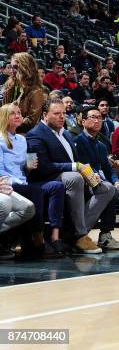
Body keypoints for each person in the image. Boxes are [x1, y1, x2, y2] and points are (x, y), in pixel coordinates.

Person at [26, 99, 115, 254]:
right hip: (47, 179)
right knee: (75, 177)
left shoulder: (66, 133)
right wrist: (76, 168)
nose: (62, 117)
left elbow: (75, 162)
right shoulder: (35, 135)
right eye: (56, 114)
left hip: (73, 176)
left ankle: (75, 235)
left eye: (63, 113)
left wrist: (90, 173)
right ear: (45, 115)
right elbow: (41, 168)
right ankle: (81, 234)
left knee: (107, 188)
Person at [0, 103, 65, 257]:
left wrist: (29, 167)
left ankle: (54, 236)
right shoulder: (0, 139)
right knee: (34, 190)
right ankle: (39, 239)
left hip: (24, 181)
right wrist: (19, 181)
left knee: (56, 186)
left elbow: (23, 167)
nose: (18, 116)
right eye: (13, 113)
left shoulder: (22, 140)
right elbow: (1, 170)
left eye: (19, 112)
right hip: (8, 183)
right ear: (4, 118)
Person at [75, 107, 119, 249]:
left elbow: (108, 168)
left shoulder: (100, 145)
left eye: (99, 118)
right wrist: (109, 183)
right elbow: (85, 166)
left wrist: (117, 182)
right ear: (83, 121)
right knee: (109, 189)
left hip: (103, 181)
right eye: (93, 117)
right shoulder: (78, 141)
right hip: (88, 182)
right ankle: (105, 235)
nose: (97, 120)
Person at [2, 53, 44, 133]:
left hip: (24, 135)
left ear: (26, 68)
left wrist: (8, 125)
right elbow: (4, 111)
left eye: (15, 67)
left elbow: (30, 122)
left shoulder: (36, 92)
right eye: (11, 67)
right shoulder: (9, 86)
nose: (12, 71)